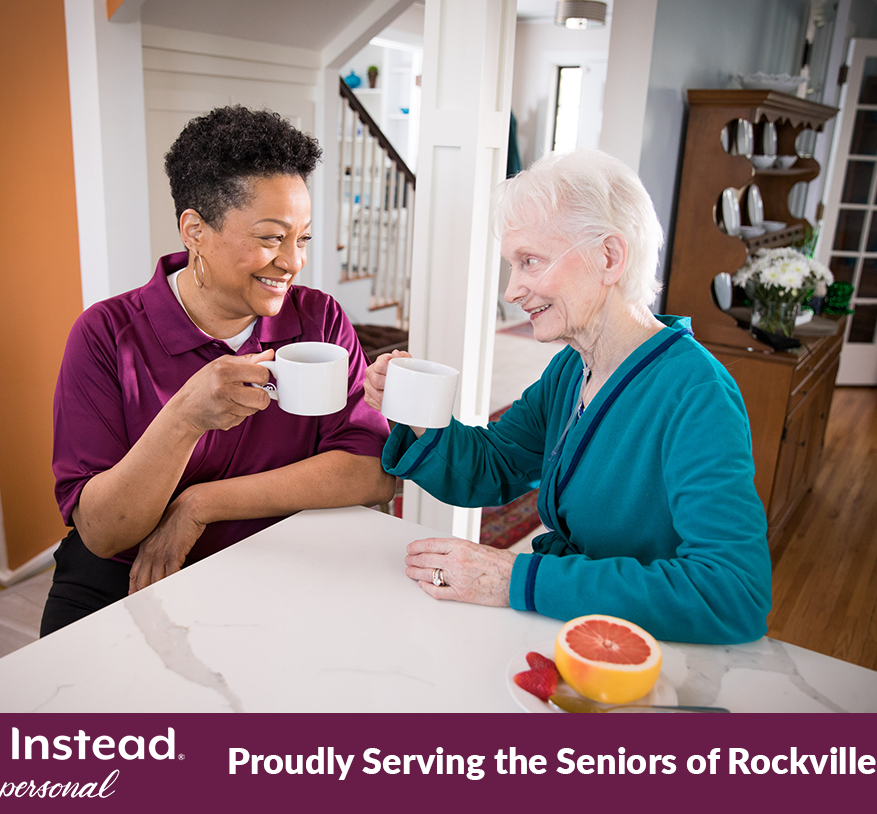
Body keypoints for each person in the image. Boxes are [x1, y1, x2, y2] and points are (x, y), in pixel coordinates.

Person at [364, 149, 771, 645]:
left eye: (530, 261)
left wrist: (515, 579)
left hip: (642, 657)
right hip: (573, 631)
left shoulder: (697, 394)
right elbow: (494, 465)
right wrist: (417, 410)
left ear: (609, 258)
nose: (512, 290)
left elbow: (731, 593)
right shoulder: (572, 369)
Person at [42, 107, 395, 635]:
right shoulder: (106, 335)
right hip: (129, 576)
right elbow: (101, 532)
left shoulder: (319, 318)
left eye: (303, 239)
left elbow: (372, 473)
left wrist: (200, 505)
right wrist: (184, 417)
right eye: (272, 238)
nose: (294, 262)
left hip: (276, 563)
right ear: (195, 231)